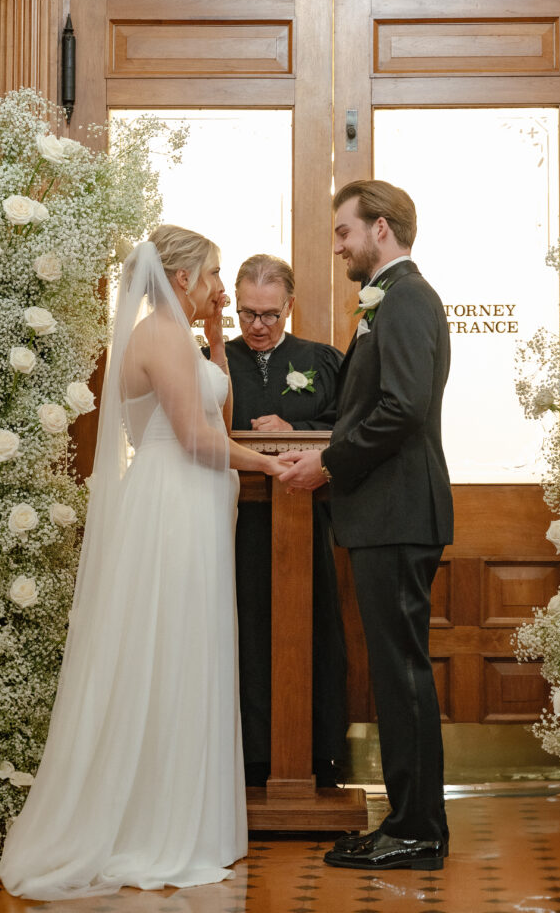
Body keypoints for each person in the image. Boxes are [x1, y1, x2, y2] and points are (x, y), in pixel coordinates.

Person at [0, 226, 286, 900]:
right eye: (212, 276)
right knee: (171, 651)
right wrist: (274, 466)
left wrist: (215, 341)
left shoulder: (179, 337)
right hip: (174, 506)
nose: (220, 289)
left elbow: (220, 410)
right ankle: (154, 825)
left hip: (196, 504)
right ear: (180, 278)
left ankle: (188, 818)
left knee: (192, 650)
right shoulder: (156, 336)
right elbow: (194, 438)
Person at [280, 181, 453, 871]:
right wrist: (312, 440)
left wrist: (328, 464)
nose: (338, 244)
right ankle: (409, 823)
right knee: (393, 674)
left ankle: (416, 830)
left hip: (399, 513)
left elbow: (404, 408)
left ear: (380, 229)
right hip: (388, 512)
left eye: (345, 231)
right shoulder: (393, 297)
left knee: (401, 675)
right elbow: (369, 409)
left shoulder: (406, 298)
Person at [216, 254, 347, 788]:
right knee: (239, 632)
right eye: (247, 313)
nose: (258, 326)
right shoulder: (213, 360)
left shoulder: (323, 360)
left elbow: (351, 428)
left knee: (310, 632)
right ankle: (242, 757)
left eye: (270, 314)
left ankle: (318, 754)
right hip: (231, 528)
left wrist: (299, 425)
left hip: (304, 526)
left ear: (289, 306)